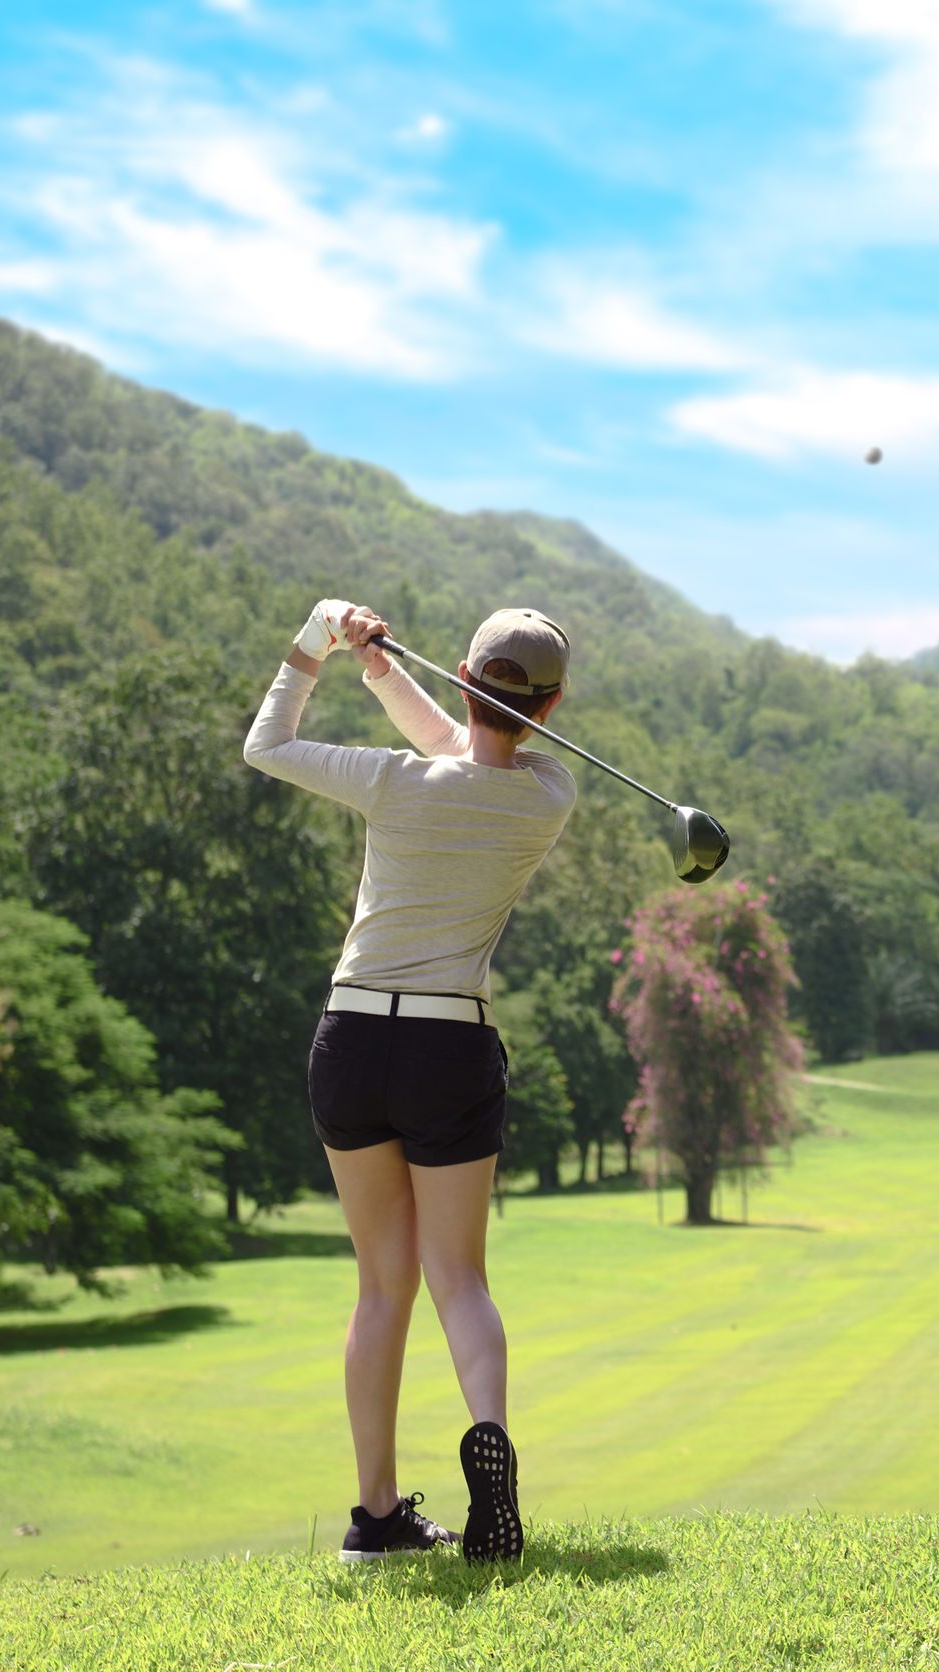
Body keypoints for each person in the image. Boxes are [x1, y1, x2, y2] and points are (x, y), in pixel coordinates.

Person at [243, 599, 577, 1563]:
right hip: (450, 1046)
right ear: (552, 710)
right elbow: (465, 748)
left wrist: (315, 641)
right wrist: (386, 674)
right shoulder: (549, 795)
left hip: (352, 1040)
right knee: (459, 1278)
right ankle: (492, 1447)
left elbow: (269, 745)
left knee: (381, 1287)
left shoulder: (391, 784)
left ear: (466, 679)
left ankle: (378, 1519)